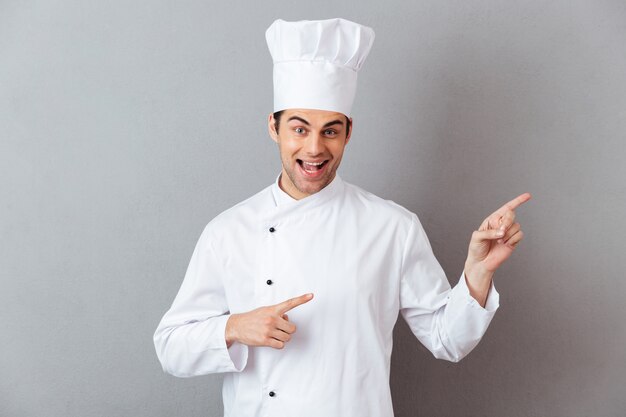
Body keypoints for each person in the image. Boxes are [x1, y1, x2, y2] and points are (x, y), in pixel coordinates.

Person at [154, 18, 530, 417]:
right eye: (299, 129)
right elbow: (171, 348)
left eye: (330, 131)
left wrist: (477, 274)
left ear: (348, 133)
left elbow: (447, 340)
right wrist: (233, 328)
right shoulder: (229, 231)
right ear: (274, 128)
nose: (314, 148)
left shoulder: (392, 228)